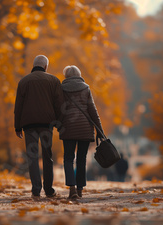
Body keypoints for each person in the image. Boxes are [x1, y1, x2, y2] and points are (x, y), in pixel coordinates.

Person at [14, 55, 63, 199]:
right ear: (46, 66)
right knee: (47, 156)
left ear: (33, 65)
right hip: (47, 125)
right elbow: (59, 104)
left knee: (32, 156)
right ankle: (49, 189)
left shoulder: (24, 81)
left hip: (29, 125)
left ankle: (36, 189)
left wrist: (17, 127)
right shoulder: (54, 81)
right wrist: (59, 123)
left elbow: (18, 106)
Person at [59, 65, 104, 199]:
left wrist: (58, 123)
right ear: (79, 74)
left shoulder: (61, 89)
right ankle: (80, 190)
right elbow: (92, 110)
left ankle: (71, 188)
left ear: (66, 76)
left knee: (68, 159)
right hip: (85, 128)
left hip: (68, 128)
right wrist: (99, 130)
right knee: (81, 160)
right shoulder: (86, 88)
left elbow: (59, 109)